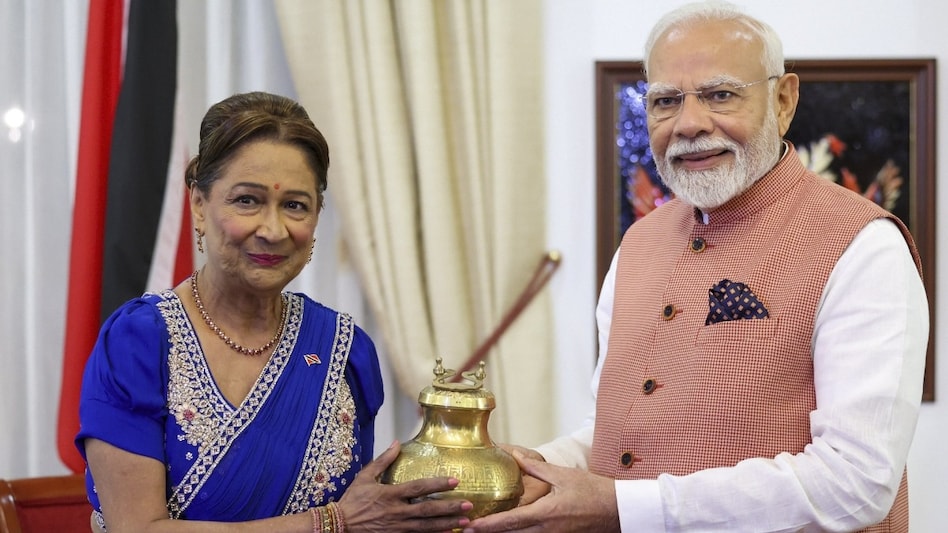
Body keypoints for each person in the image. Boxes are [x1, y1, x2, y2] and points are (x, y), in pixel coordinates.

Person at [465, 2, 928, 532]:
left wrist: (618, 507)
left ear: (783, 101)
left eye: (720, 94)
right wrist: (529, 469)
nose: (688, 124)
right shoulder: (638, 244)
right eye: (665, 101)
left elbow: (856, 484)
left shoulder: (863, 245)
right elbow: (622, 437)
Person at [76, 91, 473, 532]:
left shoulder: (344, 352)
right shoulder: (139, 343)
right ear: (199, 204)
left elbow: (369, 515)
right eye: (247, 200)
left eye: (295, 206)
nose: (273, 230)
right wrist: (329, 523)